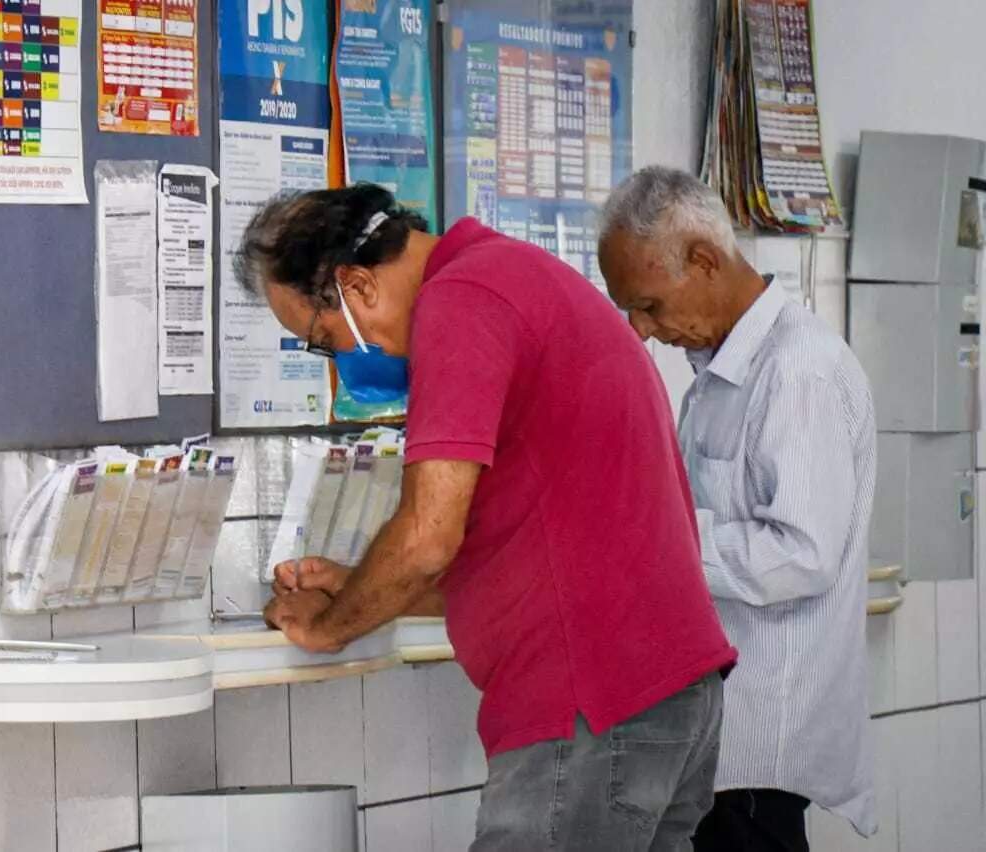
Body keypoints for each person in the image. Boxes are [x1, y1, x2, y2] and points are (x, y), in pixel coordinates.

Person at [235, 183, 738, 851]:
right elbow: (529, 553)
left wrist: (327, 624)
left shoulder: (460, 303)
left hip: (592, 706)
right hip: (666, 694)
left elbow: (426, 537)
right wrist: (361, 587)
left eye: (321, 340)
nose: (339, 365)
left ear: (356, 287)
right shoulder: (513, 275)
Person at [598, 167, 877, 851]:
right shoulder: (718, 378)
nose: (639, 330)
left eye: (649, 305)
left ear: (703, 260)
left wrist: (659, 539)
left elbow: (804, 555)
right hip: (711, 735)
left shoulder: (797, 370)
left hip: (759, 744)